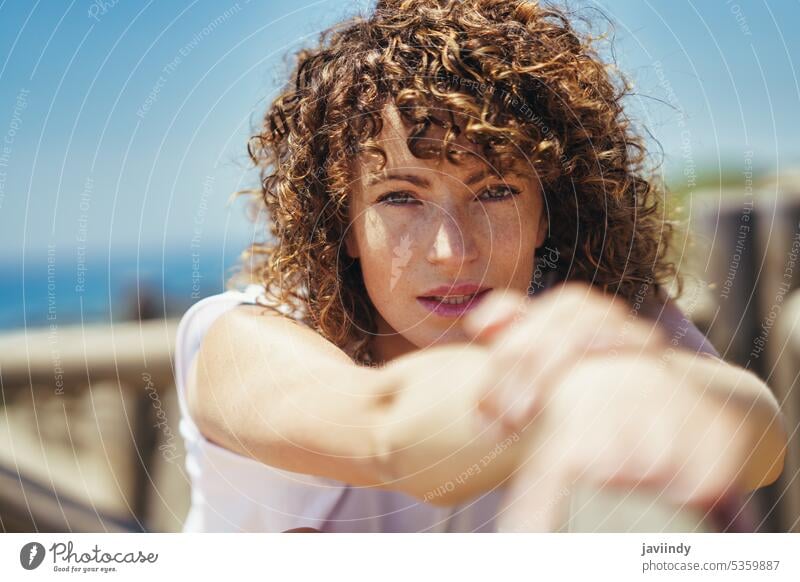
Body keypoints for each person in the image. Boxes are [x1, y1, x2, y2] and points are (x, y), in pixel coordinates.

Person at [174, 0, 787, 532]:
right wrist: (572, 395)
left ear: (549, 213)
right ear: (345, 224)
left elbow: (762, 439)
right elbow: (386, 427)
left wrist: (646, 376)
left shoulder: (584, 320)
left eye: (494, 192)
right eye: (399, 198)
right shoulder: (236, 341)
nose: (452, 250)